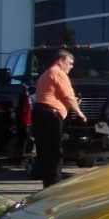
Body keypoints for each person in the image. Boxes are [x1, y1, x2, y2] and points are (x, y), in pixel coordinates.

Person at [33, 49, 86, 187]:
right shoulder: (58, 73)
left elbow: (58, 95)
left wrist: (71, 103)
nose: (71, 66)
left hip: (41, 112)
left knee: (45, 150)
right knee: (55, 151)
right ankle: (54, 183)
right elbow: (69, 96)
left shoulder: (46, 73)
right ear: (60, 60)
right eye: (69, 63)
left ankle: (48, 182)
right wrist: (80, 113)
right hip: (51, 115)